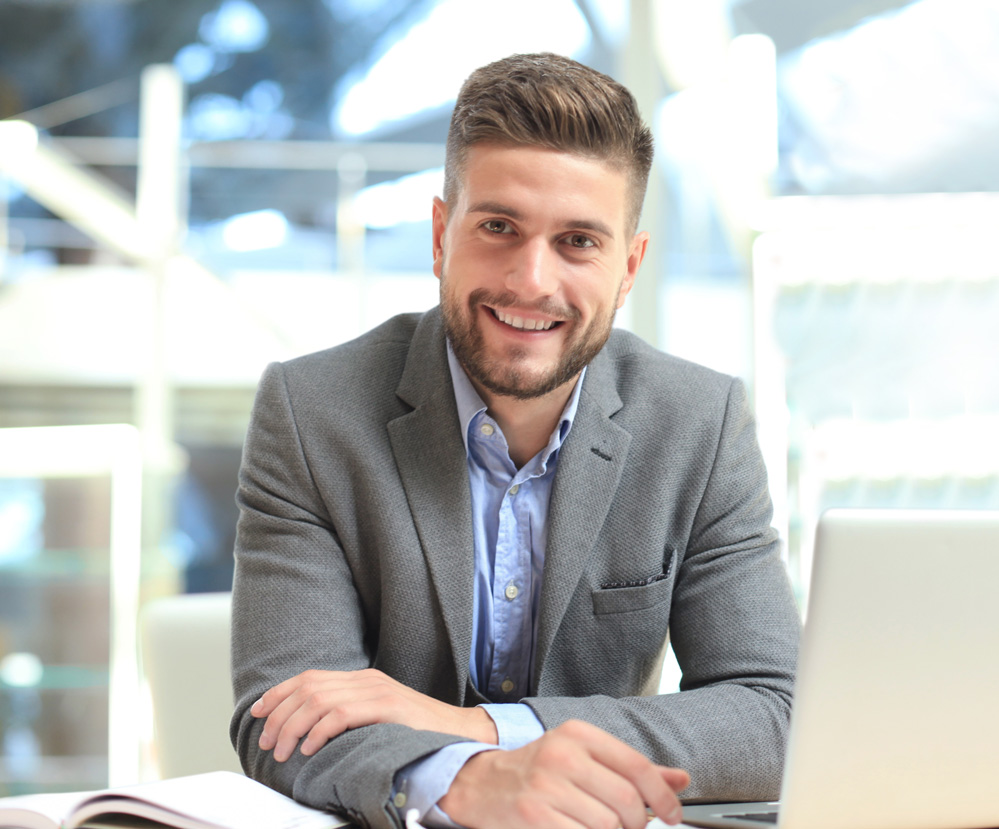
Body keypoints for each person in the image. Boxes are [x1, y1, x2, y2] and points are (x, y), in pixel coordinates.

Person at [229, 52, 800, 829]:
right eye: (499, 227)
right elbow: (284, 720)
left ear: (629, 267)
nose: (531, 280)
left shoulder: (699, 423)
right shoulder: (311, 412)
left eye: (578, 241)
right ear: (441, 236)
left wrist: (483, 731)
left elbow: (775, 714)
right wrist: (465, 781)